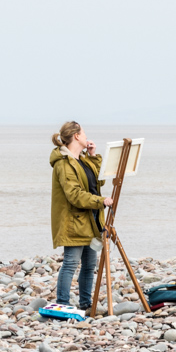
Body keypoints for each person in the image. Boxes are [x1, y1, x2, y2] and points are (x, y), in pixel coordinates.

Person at [45, 121, 113, 319]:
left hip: (91, 221)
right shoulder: (64, 164)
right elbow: (74, 194)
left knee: (89, 265)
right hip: (73, 222)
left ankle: (86, 304)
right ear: (76, 136)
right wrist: (101, 201)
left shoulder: (81, 160)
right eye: (83, 133)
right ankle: (63, 304)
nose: (86, 137)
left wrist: (93, 156)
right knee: (71, 263)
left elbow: (98, 181)